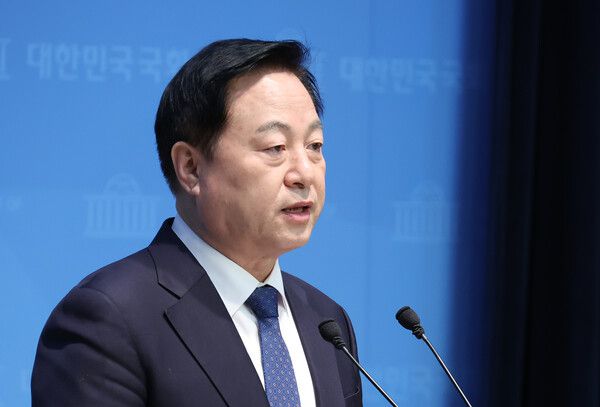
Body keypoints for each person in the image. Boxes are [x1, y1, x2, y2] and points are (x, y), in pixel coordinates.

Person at [31, 39, 362, 406]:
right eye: (275, 148)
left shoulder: (326, 322)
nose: (304, 173)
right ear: (190, 168)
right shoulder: (109, 319)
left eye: (314, 146)